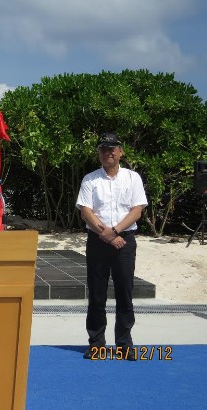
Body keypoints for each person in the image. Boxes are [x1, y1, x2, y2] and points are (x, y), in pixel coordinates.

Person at [76, 132, 148, 360]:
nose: (108, 153)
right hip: (97, 242)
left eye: (112, 148)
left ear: (120, 151)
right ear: (99, 153)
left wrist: (115, 232)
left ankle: (124, 344)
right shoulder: (90, 179)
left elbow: (137, 209)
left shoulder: (132, 177)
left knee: (124, 293)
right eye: (104, 149)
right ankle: (96, 344)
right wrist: (106, 234)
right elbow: (85, 211)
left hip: (125, 241)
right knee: (97, 294)